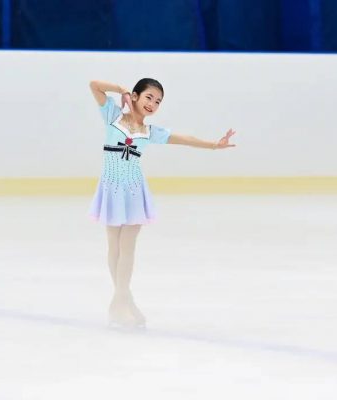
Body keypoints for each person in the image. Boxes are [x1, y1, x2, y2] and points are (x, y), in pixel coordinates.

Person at [88, 78, 236, 329]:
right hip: (111, 189)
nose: (153, 104)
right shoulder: (113, 116)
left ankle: (120, 302)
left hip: (134, 192)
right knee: (114, 247)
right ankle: (125, 301)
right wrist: (121, 89)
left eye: (158, 101)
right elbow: (94, 85)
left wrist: (214, 145)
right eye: (149, 97)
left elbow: (185, 138)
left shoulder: (149, 132)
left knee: (127, 247)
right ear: (135, 96)